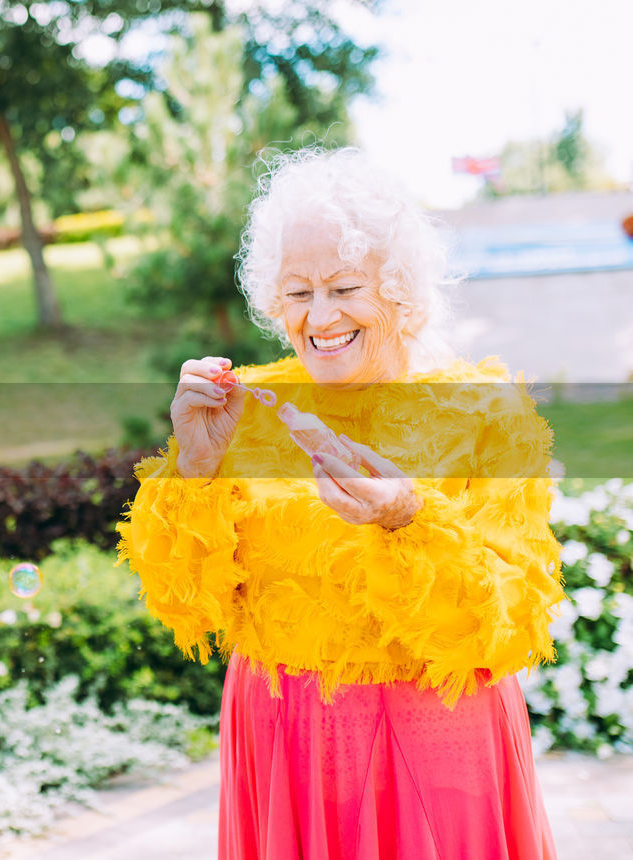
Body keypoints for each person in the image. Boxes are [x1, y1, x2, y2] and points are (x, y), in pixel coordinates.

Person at [117, 148, 565, 859]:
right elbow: (187, 604)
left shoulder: (486, 412)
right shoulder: (244, 410)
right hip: (284, 740)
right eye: (297, 293)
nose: (319, 317)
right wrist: (197, 464)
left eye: (344, 287)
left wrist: (407, 519)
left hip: (439, 734)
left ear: (400, 292)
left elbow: (512, 618)